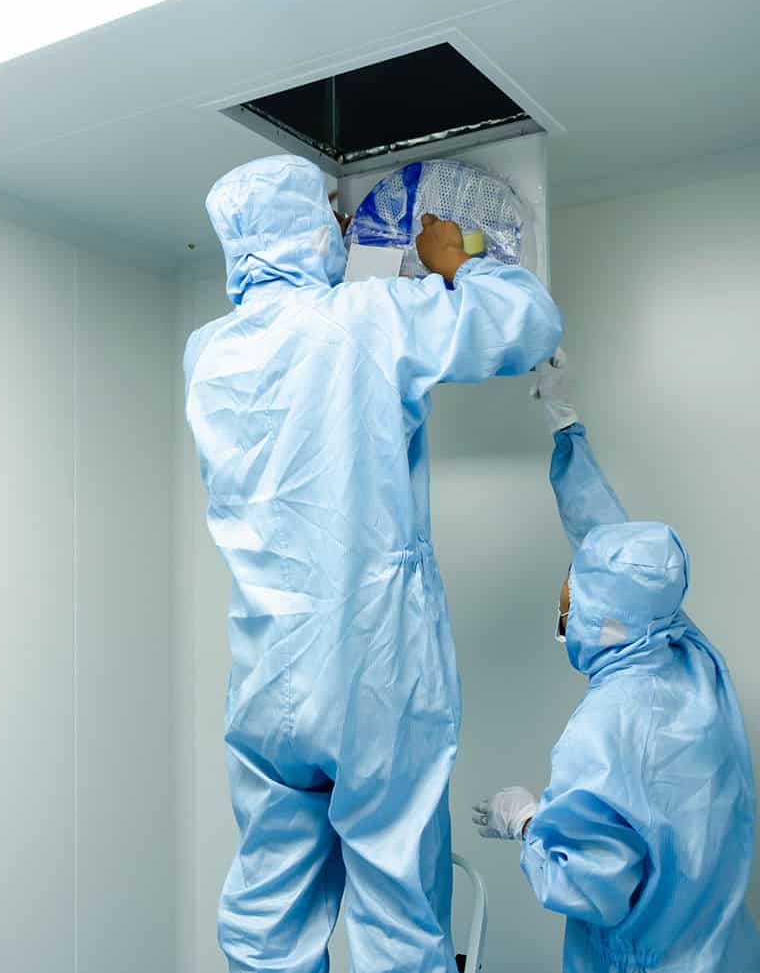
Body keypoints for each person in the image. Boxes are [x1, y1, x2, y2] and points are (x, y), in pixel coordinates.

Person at [184, 154, 563, 973]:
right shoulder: (367, 316)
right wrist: (451, 261)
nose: (343, 224)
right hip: (371, 667)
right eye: (329, 210)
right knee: (398, 920)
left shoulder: (206, 354)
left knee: (266, 919)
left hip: (265, 676)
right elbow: (528, 321)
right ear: (302, 226)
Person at [471, 352, 760, 973]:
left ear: (601, 613)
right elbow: (615, 547)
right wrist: (564, 422)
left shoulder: (605, 728)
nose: (563, 598)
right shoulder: (686, 657)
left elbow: (592, 887)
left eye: (570, 593)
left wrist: (526, 821)